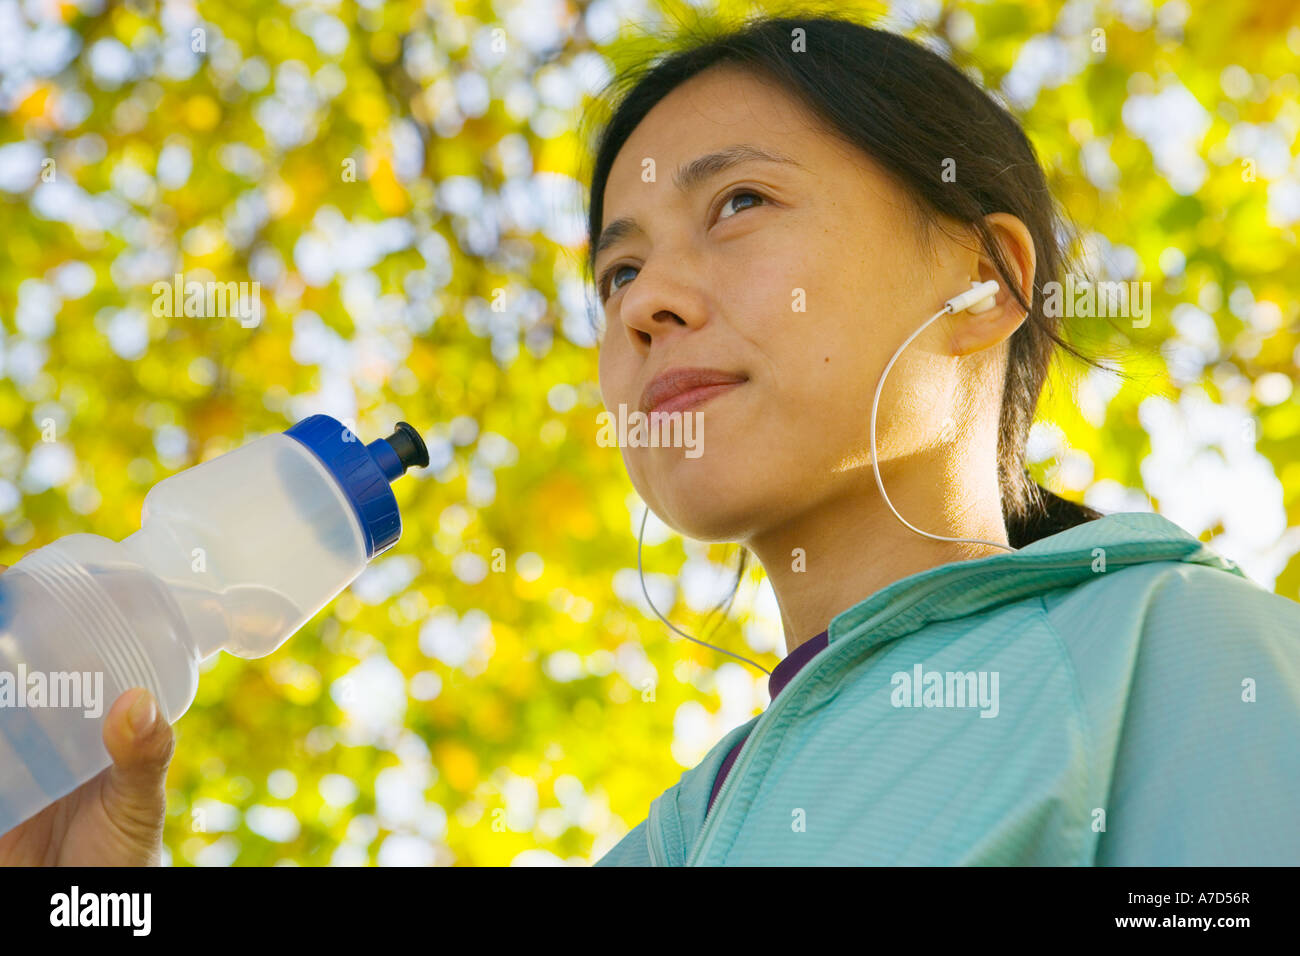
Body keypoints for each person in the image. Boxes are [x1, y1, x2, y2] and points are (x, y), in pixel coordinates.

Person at [585, 13, 1300, 864]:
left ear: (985, 282)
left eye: (740, 202)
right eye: (618, 272)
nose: (642, 303)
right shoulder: (662, 841)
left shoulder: (1181, 654)